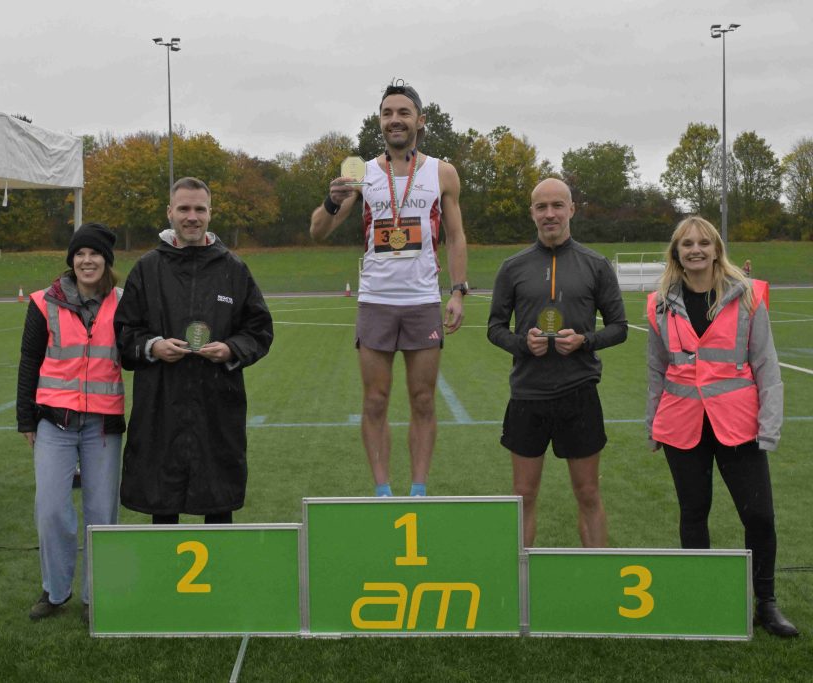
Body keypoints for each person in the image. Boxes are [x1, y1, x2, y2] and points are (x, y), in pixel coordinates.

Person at [310, 80, 468, 497]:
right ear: (379, 121)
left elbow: (456, 236)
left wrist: (457, 292)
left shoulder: (442, 172)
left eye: (403, 112)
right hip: (376, 302)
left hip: (421, 302)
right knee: (376, 400)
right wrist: (332, 200)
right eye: (387, 113)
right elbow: (319, 231)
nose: (394, 120)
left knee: (422, 399)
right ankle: (383, 490)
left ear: (420, 120)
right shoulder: (359, 173)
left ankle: (418, 488)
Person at [646, 216, 798, 637]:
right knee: (694, 515)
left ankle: (765, 604)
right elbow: (657, 369)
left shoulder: (747, 296)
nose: (695, 250)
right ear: (676, 252)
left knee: (759, 517)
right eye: (686, 244)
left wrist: (769, 426)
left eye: (703, 243)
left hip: (739, 426)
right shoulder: (659, 302)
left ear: (716, 249)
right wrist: (651, 425)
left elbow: (767, 365)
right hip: (682, 426)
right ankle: (703, 598)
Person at [115, 177, 273, 525]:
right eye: (184, 208)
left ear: (210, 213)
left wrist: (231, 350)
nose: (192, 216)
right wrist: (153, 346)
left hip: (217, 410)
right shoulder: (147, 268)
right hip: (161, 409)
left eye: (199, 209)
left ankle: (221, 578)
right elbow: (124, 333)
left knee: (218, 508)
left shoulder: (233, 269)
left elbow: (259, 330)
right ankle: (167, 580)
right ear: (169, 212)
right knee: (163, 509)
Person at [486, 178, 627, 548]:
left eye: (557, 205)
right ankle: (519, 582)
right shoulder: (512, 267)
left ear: (571, 209)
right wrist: (522, 344)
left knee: (588, 494)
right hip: (527, 395)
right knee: (524, 496)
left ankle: (598, 576)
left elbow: (619, 328)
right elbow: (494, 328)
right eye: (542, 207)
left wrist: (586, 342)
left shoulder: (595, 264)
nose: (550, 214)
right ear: (531, 212)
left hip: (578, 393)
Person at [17, 223, 125, 622]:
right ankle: (55, 590)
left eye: (94, 254)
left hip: (102, 425)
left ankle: (96, 595)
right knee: (51, 509)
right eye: (80, 254)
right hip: (53, 423)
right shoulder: (43, 302)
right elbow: (30, 360)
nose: (86, 260)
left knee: (101, 511)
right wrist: (25, 417)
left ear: (106, 261)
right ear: (71, 260)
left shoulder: (124, 302)